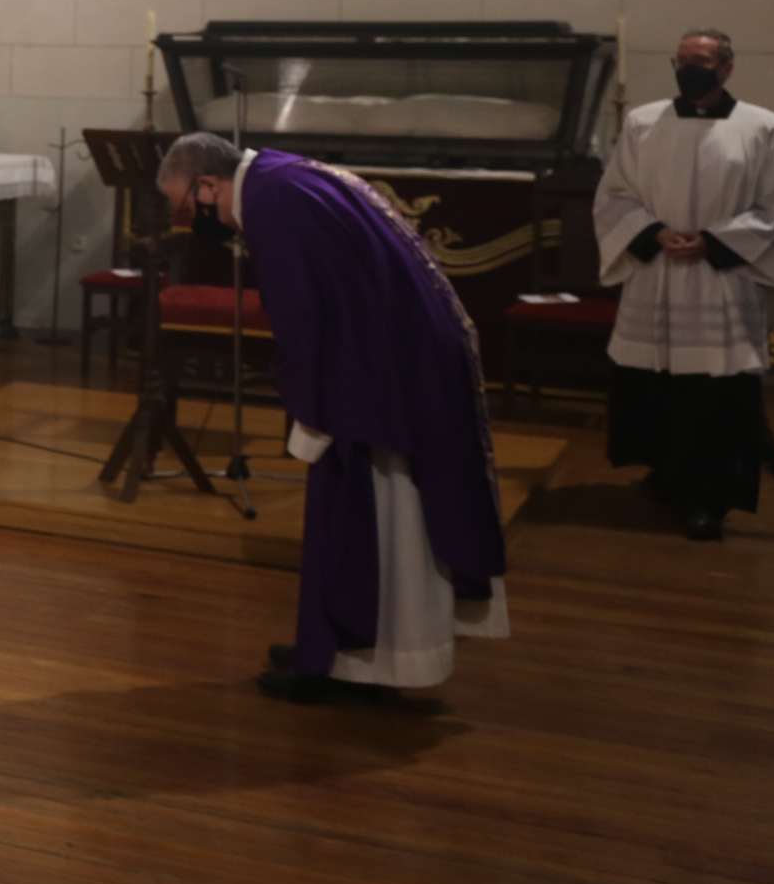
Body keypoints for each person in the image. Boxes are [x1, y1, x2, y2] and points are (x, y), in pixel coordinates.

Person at [156, 130, 510, 703]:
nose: (197, 221)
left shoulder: (271, 202)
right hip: (394, 354)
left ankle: (370, 662)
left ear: (208, 184)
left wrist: (308, 400)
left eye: (187, 206)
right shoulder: (282, 176)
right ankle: (337, 648)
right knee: (361, 512)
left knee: (376, 514)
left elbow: (303, 315)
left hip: (379, 374)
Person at [594, 29, 774, 540]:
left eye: (702, 60)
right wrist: (654, 233)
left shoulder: (763, 127)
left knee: (715, 394)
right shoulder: (643, 122)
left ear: (726, 67)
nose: (690, 69)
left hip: (718, 281)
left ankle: (710, 499)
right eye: (682, 60)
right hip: (657, 276)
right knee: (658, 386)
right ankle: (666, 477)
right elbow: (614, 195)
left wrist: (712, 242)